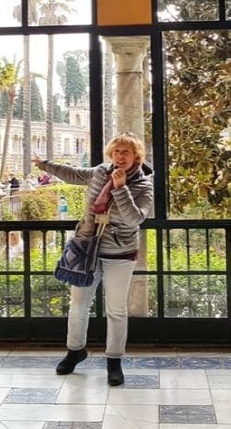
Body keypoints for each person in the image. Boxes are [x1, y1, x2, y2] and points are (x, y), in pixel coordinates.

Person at [33, 131, 153, 387]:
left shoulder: (143, 184)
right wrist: (44, 164)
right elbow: (74, 174)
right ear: (112, 153)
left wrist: (121, 189)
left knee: (116, 310)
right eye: (117, 151)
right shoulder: (100, 172)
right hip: (89, 248)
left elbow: (134, 219)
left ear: (136, 156)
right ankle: (75, 350)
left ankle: (114, 360)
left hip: (120, 253)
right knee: (78, 303)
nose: (121, 156)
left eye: (127, 152)